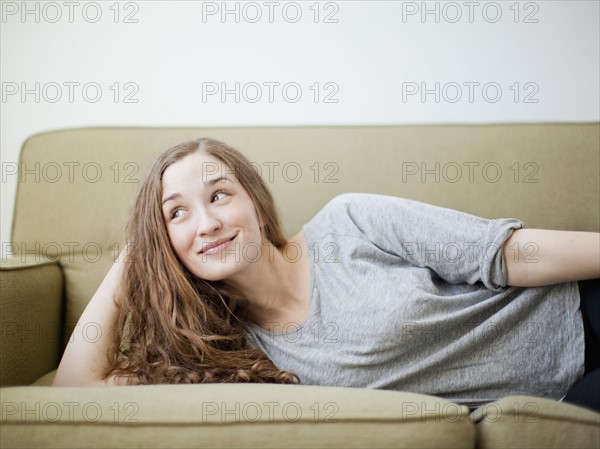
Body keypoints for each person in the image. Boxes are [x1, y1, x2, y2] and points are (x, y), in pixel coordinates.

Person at [53, 138, 600, 413]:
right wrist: (135, 257)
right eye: (177, 213)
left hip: (582, 312)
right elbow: (74, 391)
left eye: (219, 194)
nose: (209, 223)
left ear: (257, 205)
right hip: (562, 398)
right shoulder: (231, 358)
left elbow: (511, 255)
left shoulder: (350, 221)